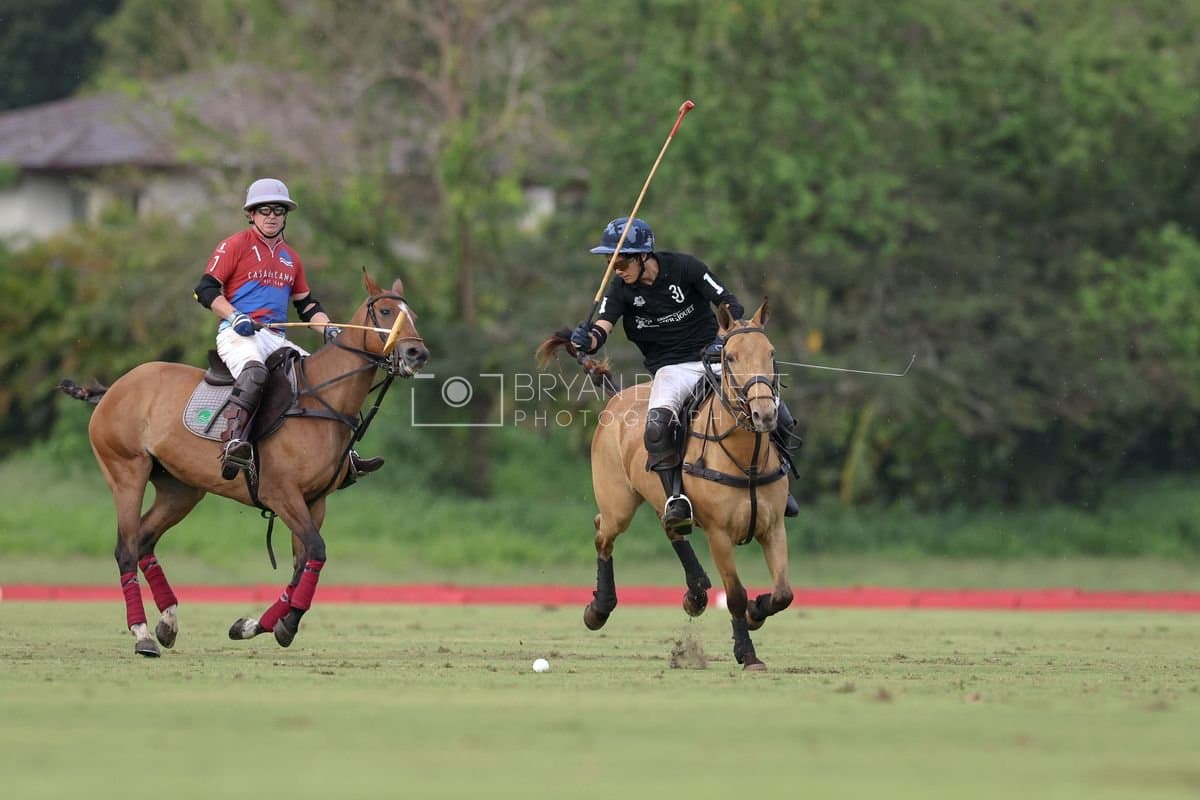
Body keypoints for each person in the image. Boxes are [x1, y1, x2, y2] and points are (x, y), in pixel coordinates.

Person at [569, 217, 799, 535]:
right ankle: (677, 500)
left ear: (643, 256)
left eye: (620, 259)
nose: (615, 267)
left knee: (779, 415)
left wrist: (722, 340)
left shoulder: (685, 268)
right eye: (610, 261)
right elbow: (601, 331)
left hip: (715, 360)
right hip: (670, 370)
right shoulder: (620, 290)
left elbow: (730, 303)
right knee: (656, 426)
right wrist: (585, 338)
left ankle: (780, 482)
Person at [192, 178, 383, 483]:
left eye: (278, 210)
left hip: (275, 338)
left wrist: (328, 330)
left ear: (284, 216)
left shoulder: (290, 258)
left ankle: (344, 454)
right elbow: (204, 289)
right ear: (251, 214)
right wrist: (235, 315)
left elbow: (306, 305)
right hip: (237, 333)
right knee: (255, 373)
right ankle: (233, 442)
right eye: (264, 210)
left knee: (327, 377)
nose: (271, 216)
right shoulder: (235, 245)